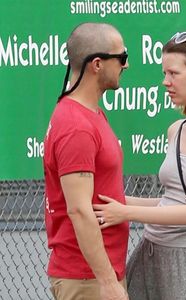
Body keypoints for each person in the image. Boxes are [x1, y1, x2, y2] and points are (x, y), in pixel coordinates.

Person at [93, 31, 186, 300]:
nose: (165, 82)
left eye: (174, 73)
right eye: (164, 73)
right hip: (150, 252)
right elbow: (170, 201)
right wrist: (119, 201)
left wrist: (125, 212)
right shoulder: (176, 129)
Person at [43, 22, 129, 300]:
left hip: (96, 274)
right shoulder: (76, 126)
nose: (125, 66)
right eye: (122, 57)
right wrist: (107, 282)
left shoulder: (88, 113)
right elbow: (79, 210)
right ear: (97, 64)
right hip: (87, 278)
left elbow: (101, 196)